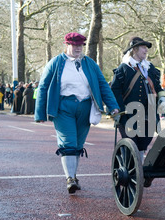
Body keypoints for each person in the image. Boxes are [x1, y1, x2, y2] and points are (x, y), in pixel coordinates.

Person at [35, 32, 120, 194]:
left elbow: (103, 85)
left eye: (80, 46)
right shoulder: (55, 63)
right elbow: (43, 86)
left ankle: (73, 175)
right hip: (63, 107)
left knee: (78, 145)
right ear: (67, 45)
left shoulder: (90, 64)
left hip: (85, 108)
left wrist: (113, 106)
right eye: (74, 45)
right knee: (69, 144)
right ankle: (70, 179)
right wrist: (40, 113)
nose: (78, 48)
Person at [110, 36, 165, 161]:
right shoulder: (124, 68)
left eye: (146, 48)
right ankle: (130, 170)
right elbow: (115, 91)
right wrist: (118, 110)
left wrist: (163, 99)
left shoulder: (150, 68)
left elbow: (158, 87)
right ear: (134, 49)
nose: (146, 50)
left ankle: (138, 172)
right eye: (143, 47)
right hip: (128, 115)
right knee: (131, 143)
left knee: (143, 145)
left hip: (148, 114)